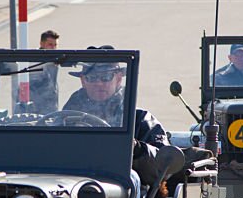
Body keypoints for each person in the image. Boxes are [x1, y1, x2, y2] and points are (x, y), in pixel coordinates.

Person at [61, 55, 170, 184]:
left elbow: (164, 167)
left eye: (106, 77)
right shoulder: (64, 119)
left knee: (132, 177)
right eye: (92, 77)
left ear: (118, 79)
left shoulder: (140, 120)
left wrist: (137, 148)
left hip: (124, 192)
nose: (99, 83)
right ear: (83, 81)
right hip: (69, 184)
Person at [29, 29, 60, 113]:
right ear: (42, 44)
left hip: (51, 108)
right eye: (50, 45)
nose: (53, 48)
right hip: (35, 110)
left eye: (55, 45)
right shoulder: (34, 62)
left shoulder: (54, 61)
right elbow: (33, 87)